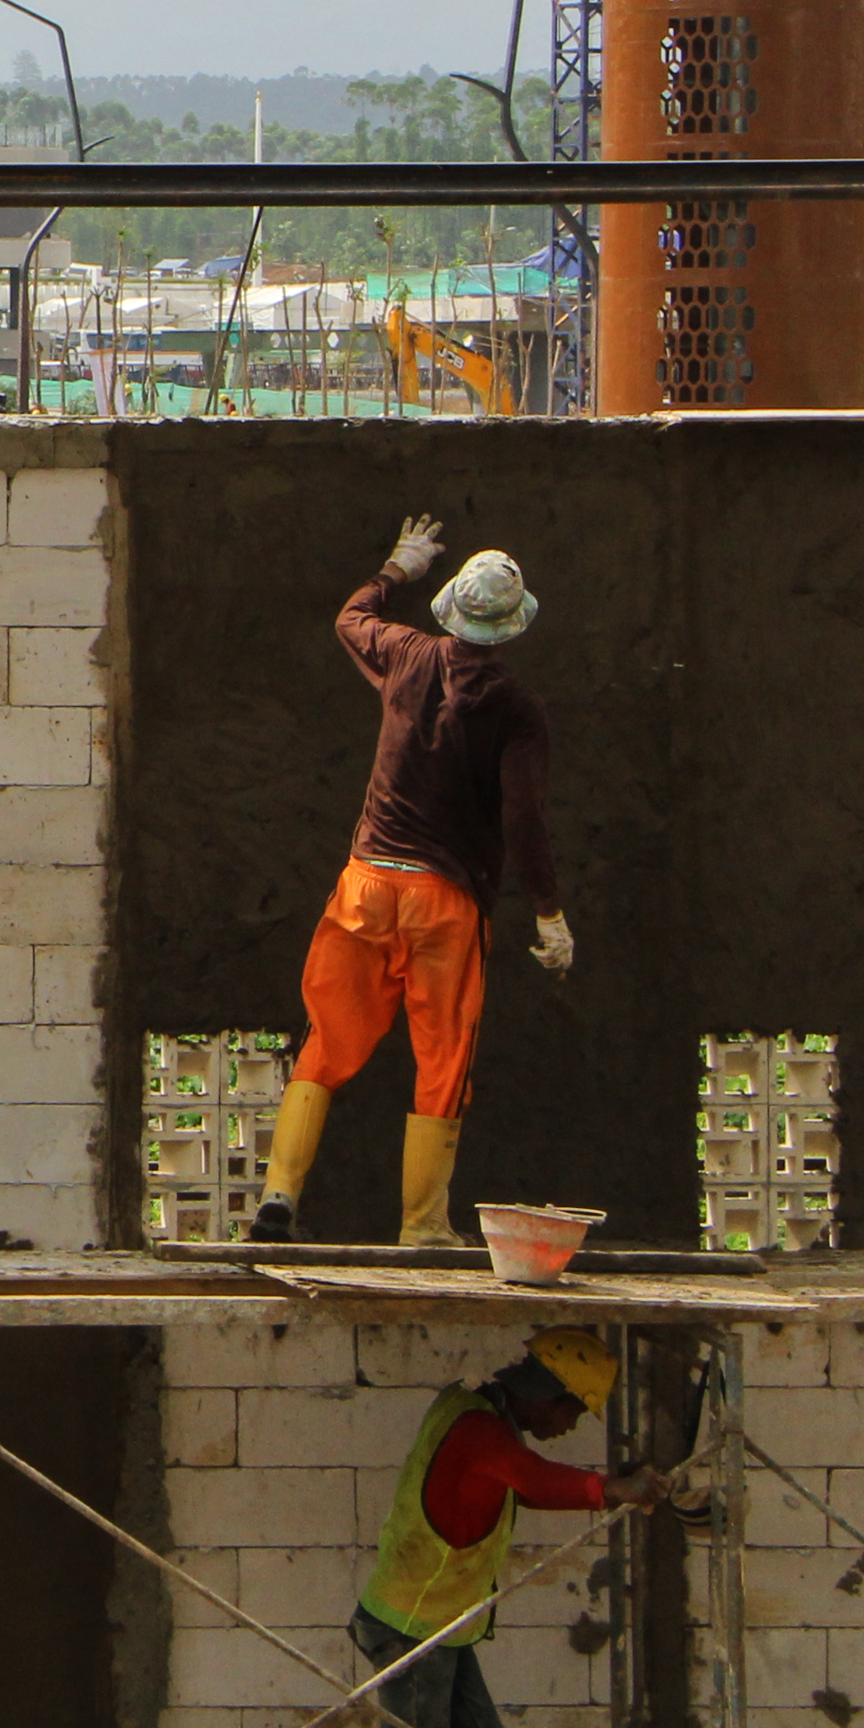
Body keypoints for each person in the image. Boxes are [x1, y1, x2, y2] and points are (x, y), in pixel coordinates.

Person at [253, 512, 568, 1248]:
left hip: (365, 883)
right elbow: (523, 821)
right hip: (444, 901)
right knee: (443, 1059)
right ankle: (424, 1224)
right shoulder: (517, 708)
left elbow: (351, 617)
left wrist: (398, 566)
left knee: (325, 1042)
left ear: (453, 606)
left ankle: (278, 1193)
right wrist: (549, 913)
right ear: (512, 627)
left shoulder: (406, 653)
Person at [348, 1326, 671, 1728]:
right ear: (542, 1391)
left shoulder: (478, 1414)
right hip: (412, 1626)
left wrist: (607, 1483)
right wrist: (612, 1488)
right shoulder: (479, 1432)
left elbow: (522, 1478)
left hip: (444, 1625)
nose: (569, 1424)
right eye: (570, 1409)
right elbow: (528, 1477)